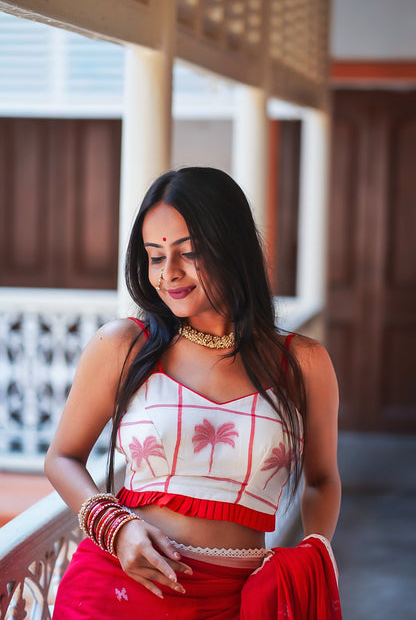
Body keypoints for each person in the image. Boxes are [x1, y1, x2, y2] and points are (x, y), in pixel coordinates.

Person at [45, 167, 342, 619]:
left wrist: (312, 554)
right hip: (119, 589)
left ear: (233, 248)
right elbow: (62, 457)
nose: (170, 274)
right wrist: (116, 529)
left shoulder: (302, 364)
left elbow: (321, 479)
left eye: (189, 253)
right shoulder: (125, 346)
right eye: (156, 256)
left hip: (236, 598)